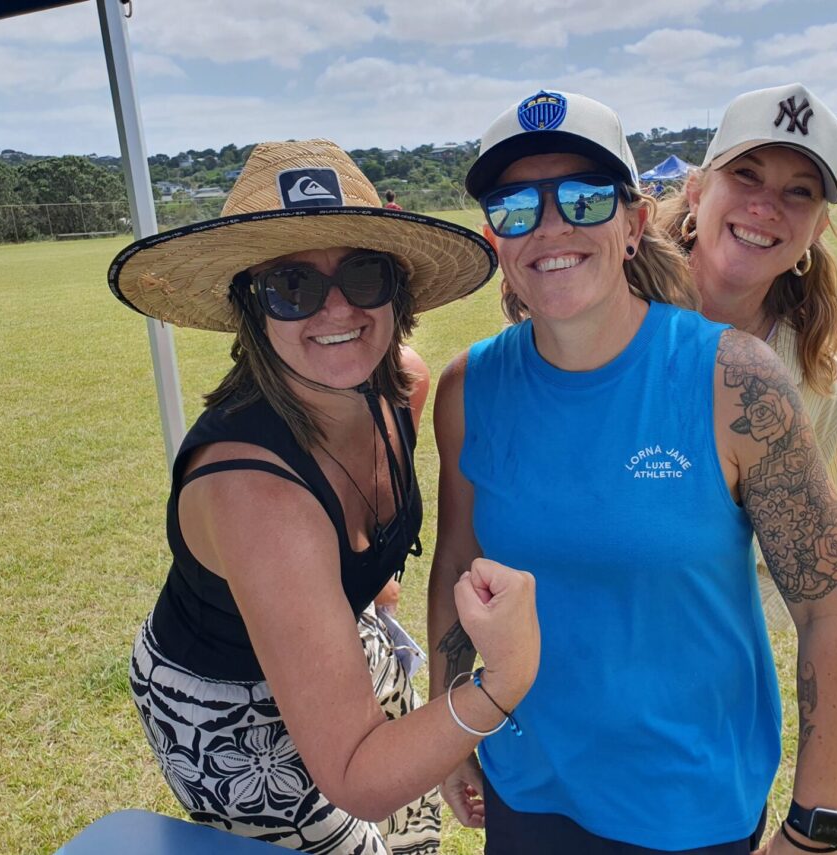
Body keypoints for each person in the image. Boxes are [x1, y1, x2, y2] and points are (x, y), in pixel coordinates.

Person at [428, 89, 837, 855]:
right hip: (527, 786)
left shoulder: (740, 381)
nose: (551, 226)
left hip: (687, 807)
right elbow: (457, 559)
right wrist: (450, 719)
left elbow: (830, 612)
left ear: (634, 223)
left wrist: (815, 824)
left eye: (584, 198)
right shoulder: (469, 388)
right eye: (516, 207)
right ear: (495, 236)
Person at [109, 139, 540, 855]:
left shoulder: (401, 386)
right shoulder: (255, 494)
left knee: (413, 839)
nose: (338, 308)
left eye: (364, 273)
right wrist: (506, 677)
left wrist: (364, 588)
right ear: (251, 307)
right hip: (226, 705)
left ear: (398, 289)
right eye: (293, 285)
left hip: (345, 639)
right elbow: (358, 777)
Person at [657, 82, 837, 636]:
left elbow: (791, 559)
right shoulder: (609, 320)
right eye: (746, 175)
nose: (765, 206)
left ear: (817, 228)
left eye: (799, 191)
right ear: (696, 191)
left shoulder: (818, 379)